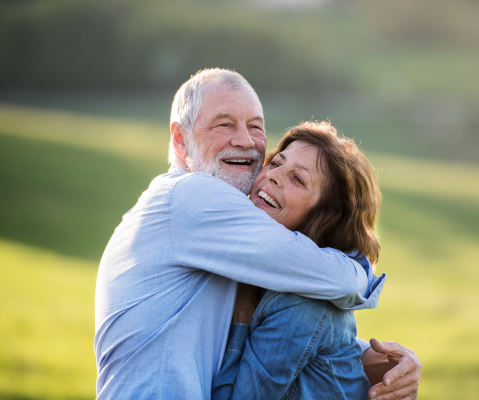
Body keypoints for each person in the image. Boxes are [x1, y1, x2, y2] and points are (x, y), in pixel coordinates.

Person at [94, 68, 420, 399]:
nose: (246, 141)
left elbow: (294, 327)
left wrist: (366, 357)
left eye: (256, 127)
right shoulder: (190, 197)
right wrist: (360, 271)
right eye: (224, 124)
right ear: (180, 139)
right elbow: (335, 284)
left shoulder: (231, 242)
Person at [212, 121, 384, 399]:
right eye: (276, 163)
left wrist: (241, 318)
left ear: (324, 218)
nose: (275, 176)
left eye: (298, 179)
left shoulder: (301, 306)